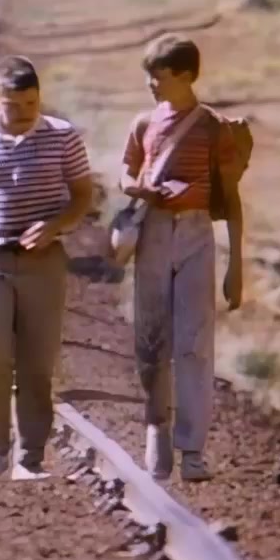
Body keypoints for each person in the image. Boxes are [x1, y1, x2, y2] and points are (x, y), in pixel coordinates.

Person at [0, 55, 93, 482]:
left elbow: (83, 194)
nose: (26, 112)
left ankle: (29, 457)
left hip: (42, 261)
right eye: (15, 105)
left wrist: (55, 225)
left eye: (32, 103)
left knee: (37, 359)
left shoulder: (62, 136)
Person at [118, 33, 244, 482]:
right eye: (150, 77)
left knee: (195, 343)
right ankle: (157, 428)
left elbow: (230, 197)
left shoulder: (213, 128)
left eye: (160, 77)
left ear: (187, 76)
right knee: (151, 338)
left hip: (195, 234)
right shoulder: (143, 124)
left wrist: (236, 265)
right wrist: (138, 188)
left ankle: (192, 449)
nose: (152, 85)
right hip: (153, 230)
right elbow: (126, 171)